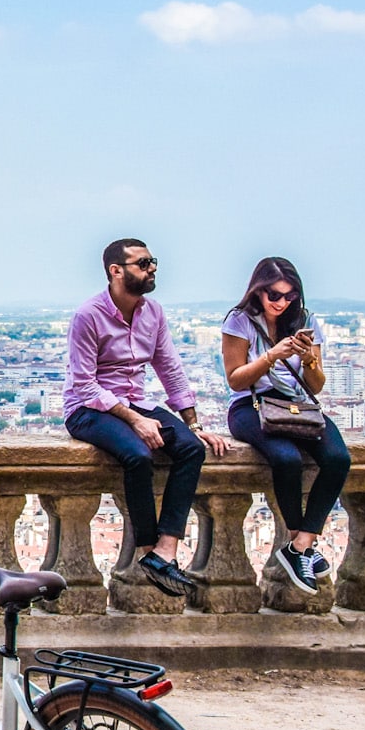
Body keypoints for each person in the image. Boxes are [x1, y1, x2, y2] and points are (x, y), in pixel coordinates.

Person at [64, 239, 228, 597]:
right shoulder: (88, 315)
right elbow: (84, 385)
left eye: (153, 261)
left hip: (135, 401)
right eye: (143, 263)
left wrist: (193, 424)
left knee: (189, 449)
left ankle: (164, 551)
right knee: (137, 455)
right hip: (87, 410)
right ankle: (145, 549)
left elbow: (169, 368)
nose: (152, 268)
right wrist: (134, 419)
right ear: (116, 270)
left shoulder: (152, 312)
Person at [221, 258, 349, 596]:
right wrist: (271, 356)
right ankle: (300, 544)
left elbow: (315, 385)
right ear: (259, 291)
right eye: (275, 295)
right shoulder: (240, 321)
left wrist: (309, 359)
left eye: (290, 296)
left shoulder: (305, 321)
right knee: (286, 459)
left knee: (338, 458)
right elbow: (235, 380)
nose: (282, 302)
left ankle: (301, 545)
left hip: (297, 405)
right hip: (253, 405)